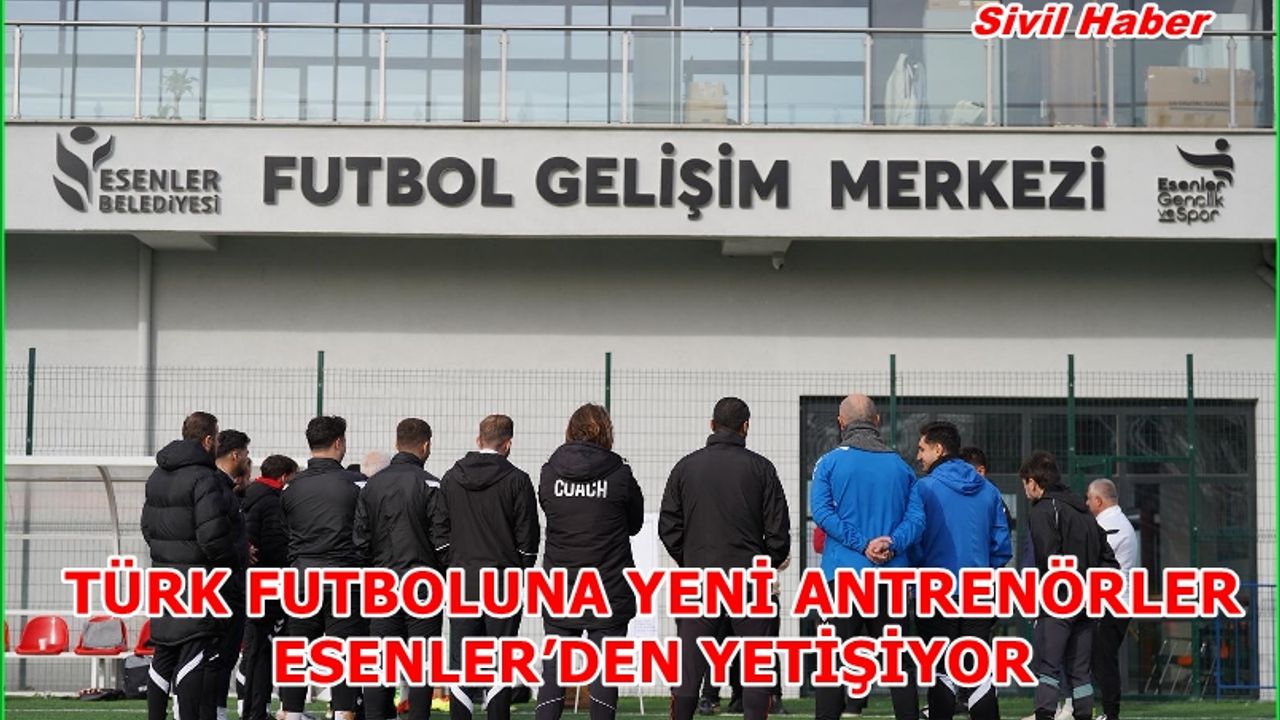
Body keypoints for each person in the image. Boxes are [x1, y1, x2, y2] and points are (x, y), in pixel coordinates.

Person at [659, 397, 791, 720]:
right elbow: (778, 534)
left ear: (712, 424)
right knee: (756, 665)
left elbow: (668, 527)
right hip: (750, 580)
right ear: (745, 426)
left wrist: (690, 560)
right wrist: (765, 562)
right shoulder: (762, 469)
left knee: (689, 665)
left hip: (699, 579)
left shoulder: (685, 467)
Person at [810, 394, 923, 720]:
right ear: (877, 421)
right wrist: (891, 544)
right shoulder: (902, 467)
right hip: (891, 577)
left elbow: (822, 513)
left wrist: (862, 545)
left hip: (842, 576)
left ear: (841, 422)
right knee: (898, 660)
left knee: (832, 660)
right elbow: (917, 520)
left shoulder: (828, 463)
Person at [535, 404, 644, 720]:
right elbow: (634, 523)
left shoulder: (549, 472)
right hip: (608, 585)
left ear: (570, 430)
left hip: (561, 585)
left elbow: (550, 511)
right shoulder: (620, 473)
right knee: (605, 672)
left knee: (554, 669)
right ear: (607, 432)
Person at [439, 414, 540, 720]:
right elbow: (528, 537)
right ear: (507, 444)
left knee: (461, 659)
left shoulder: (451, 478)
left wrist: (452, 563)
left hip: (462, 579)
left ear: (478, 440)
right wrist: (521, 568)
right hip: (504, 580)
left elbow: (440, 532)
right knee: (500, 657)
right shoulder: (518, 480)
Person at [141, 412, 239, 720]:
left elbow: (147, 527)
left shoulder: (157, 475)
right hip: (198, 580)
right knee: (193, 654)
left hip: (164, 577)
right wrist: (232, 558)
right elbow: (212, 535)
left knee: (163, 654)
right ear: (208, 440)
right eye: (217, 438)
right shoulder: (204, 477)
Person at [911, 423, 1013, 720]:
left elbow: (915, 541)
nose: (918, 456)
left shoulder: (924, 489)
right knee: (977, 669)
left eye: (922, 449)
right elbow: (1001, 547)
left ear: (938, 449)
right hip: (978, 591)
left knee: (941, 670)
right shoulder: (989, 491)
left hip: (935, 591)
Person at [354, 418, 451, 720]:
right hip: (423, 584)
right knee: (421, 661)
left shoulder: (371, 485)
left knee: (380, 661)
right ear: (426, 446)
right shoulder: (431, 484)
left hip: (382, 583)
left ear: (397, 444)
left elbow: (360, 541)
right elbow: (442, 542)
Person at [279, 416, 366, 720]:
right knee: (344, 652)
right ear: (339, 442)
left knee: (297, 650)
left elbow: (286, 531)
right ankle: (342, 712)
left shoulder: (290, 487)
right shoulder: (357, 484)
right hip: (344, 578)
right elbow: (366, 532)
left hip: (302, 578)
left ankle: (291, 712)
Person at [1021, 451, 1117, 720]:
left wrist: (1045, 596)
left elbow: (1046, 559)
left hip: (1057, 602)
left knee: (1048, 668)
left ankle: (1045, 715)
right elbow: (1109, 560)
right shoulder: (1084, 512)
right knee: (1080, 673)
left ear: (1033, 482)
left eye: (1025, 483)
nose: (1025, 490)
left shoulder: (1043, 510)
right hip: (1086, 603)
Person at [237, 454, 297, 720]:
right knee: (265, 652)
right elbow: (275, 548)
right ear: (284, 477)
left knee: (253, 652)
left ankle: (251, 709)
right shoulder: (273, 503)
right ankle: (258, 711)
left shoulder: (249, 496)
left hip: (250, 585)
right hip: (270, 586)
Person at [206, 429, 253, 720]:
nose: (247, 460)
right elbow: (212, 535)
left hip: (222, 585)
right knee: (218, 657)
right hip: (223, 586)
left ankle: (213, 710)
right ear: (236, 455)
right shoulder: (215, 488)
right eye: (246, 454)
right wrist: (238, 551)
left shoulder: (221, 487)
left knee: (222, 657)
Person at [1086, 478, 1138, 720]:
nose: (1087, 504)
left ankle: (1111, 713)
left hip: (1112, 603)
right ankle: (1107, 711)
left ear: (1098, 500)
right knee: (1100, 659)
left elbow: (1094, 558)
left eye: (1089, 499)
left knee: (1103, 660)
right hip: (1113, 601)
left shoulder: (1111, 525)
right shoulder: (1116, 522)